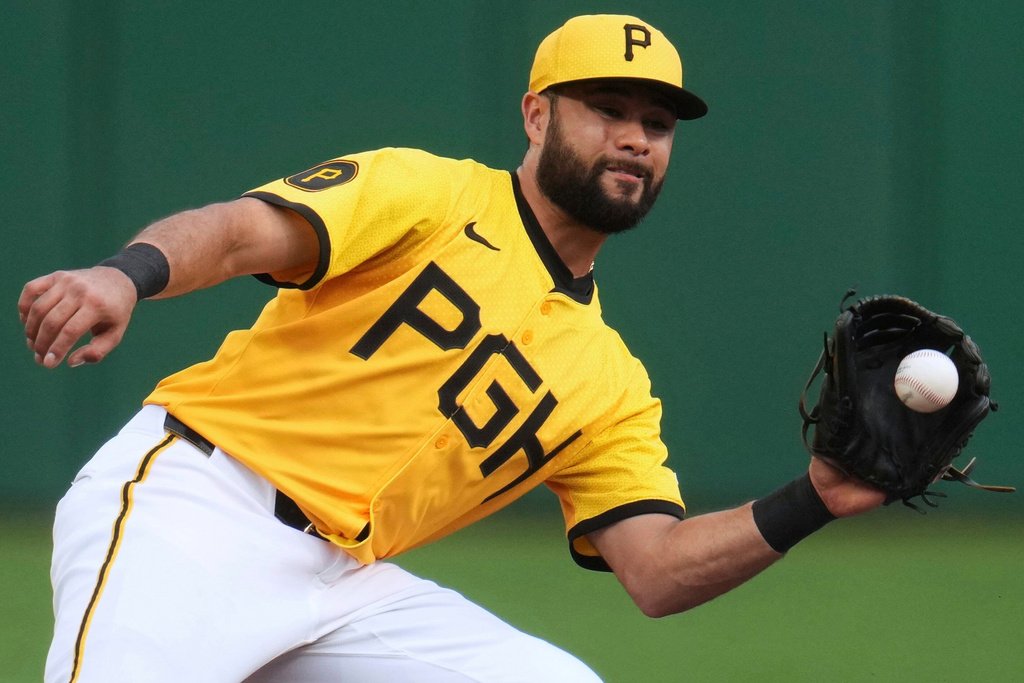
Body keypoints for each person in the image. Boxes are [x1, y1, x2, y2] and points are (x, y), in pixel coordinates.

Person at [20, 14, 885, 683]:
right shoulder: (427, 195)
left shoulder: (612, 383)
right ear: (537, 115)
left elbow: (657, 570)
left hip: (339, 584)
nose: (634, 138)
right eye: (608, 110)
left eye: (657, 124)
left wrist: (815, 495)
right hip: (200, 506)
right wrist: (127, 274)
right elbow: (246, 232)